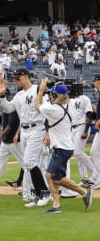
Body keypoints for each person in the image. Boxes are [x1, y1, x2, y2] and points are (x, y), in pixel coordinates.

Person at [35, 81, 92, 213]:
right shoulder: (69, 105)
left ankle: (83, 191)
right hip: (65, 146)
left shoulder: (54, 109)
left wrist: (41, 91)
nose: (49, 97)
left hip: (61, 148)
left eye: (51, 95)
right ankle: (56, 205)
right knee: (49, 175)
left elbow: (37, 106)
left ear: (55, 96)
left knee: (55, 177)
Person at [0, 68, 51, 208]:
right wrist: (2, 96)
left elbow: (47, 111)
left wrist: (47, 132)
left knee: (29, 161)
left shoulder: (37, 90)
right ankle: (40, 194)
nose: (16, 80)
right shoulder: (19, 94)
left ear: (26, 77)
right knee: (31, 164)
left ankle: (44, 193)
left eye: (18, 78)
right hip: (25, 130)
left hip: (37, 128)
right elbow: (8, 108)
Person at [0, 89, 28, 199]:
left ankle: (33, 187)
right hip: (6, 142)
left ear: (6, 95)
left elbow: (10, 126)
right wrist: (1, 137)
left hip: (14, 142)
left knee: (26, 165)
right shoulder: (4, 108)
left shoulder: (13, 108)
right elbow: (5, 125)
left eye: (0, 95)